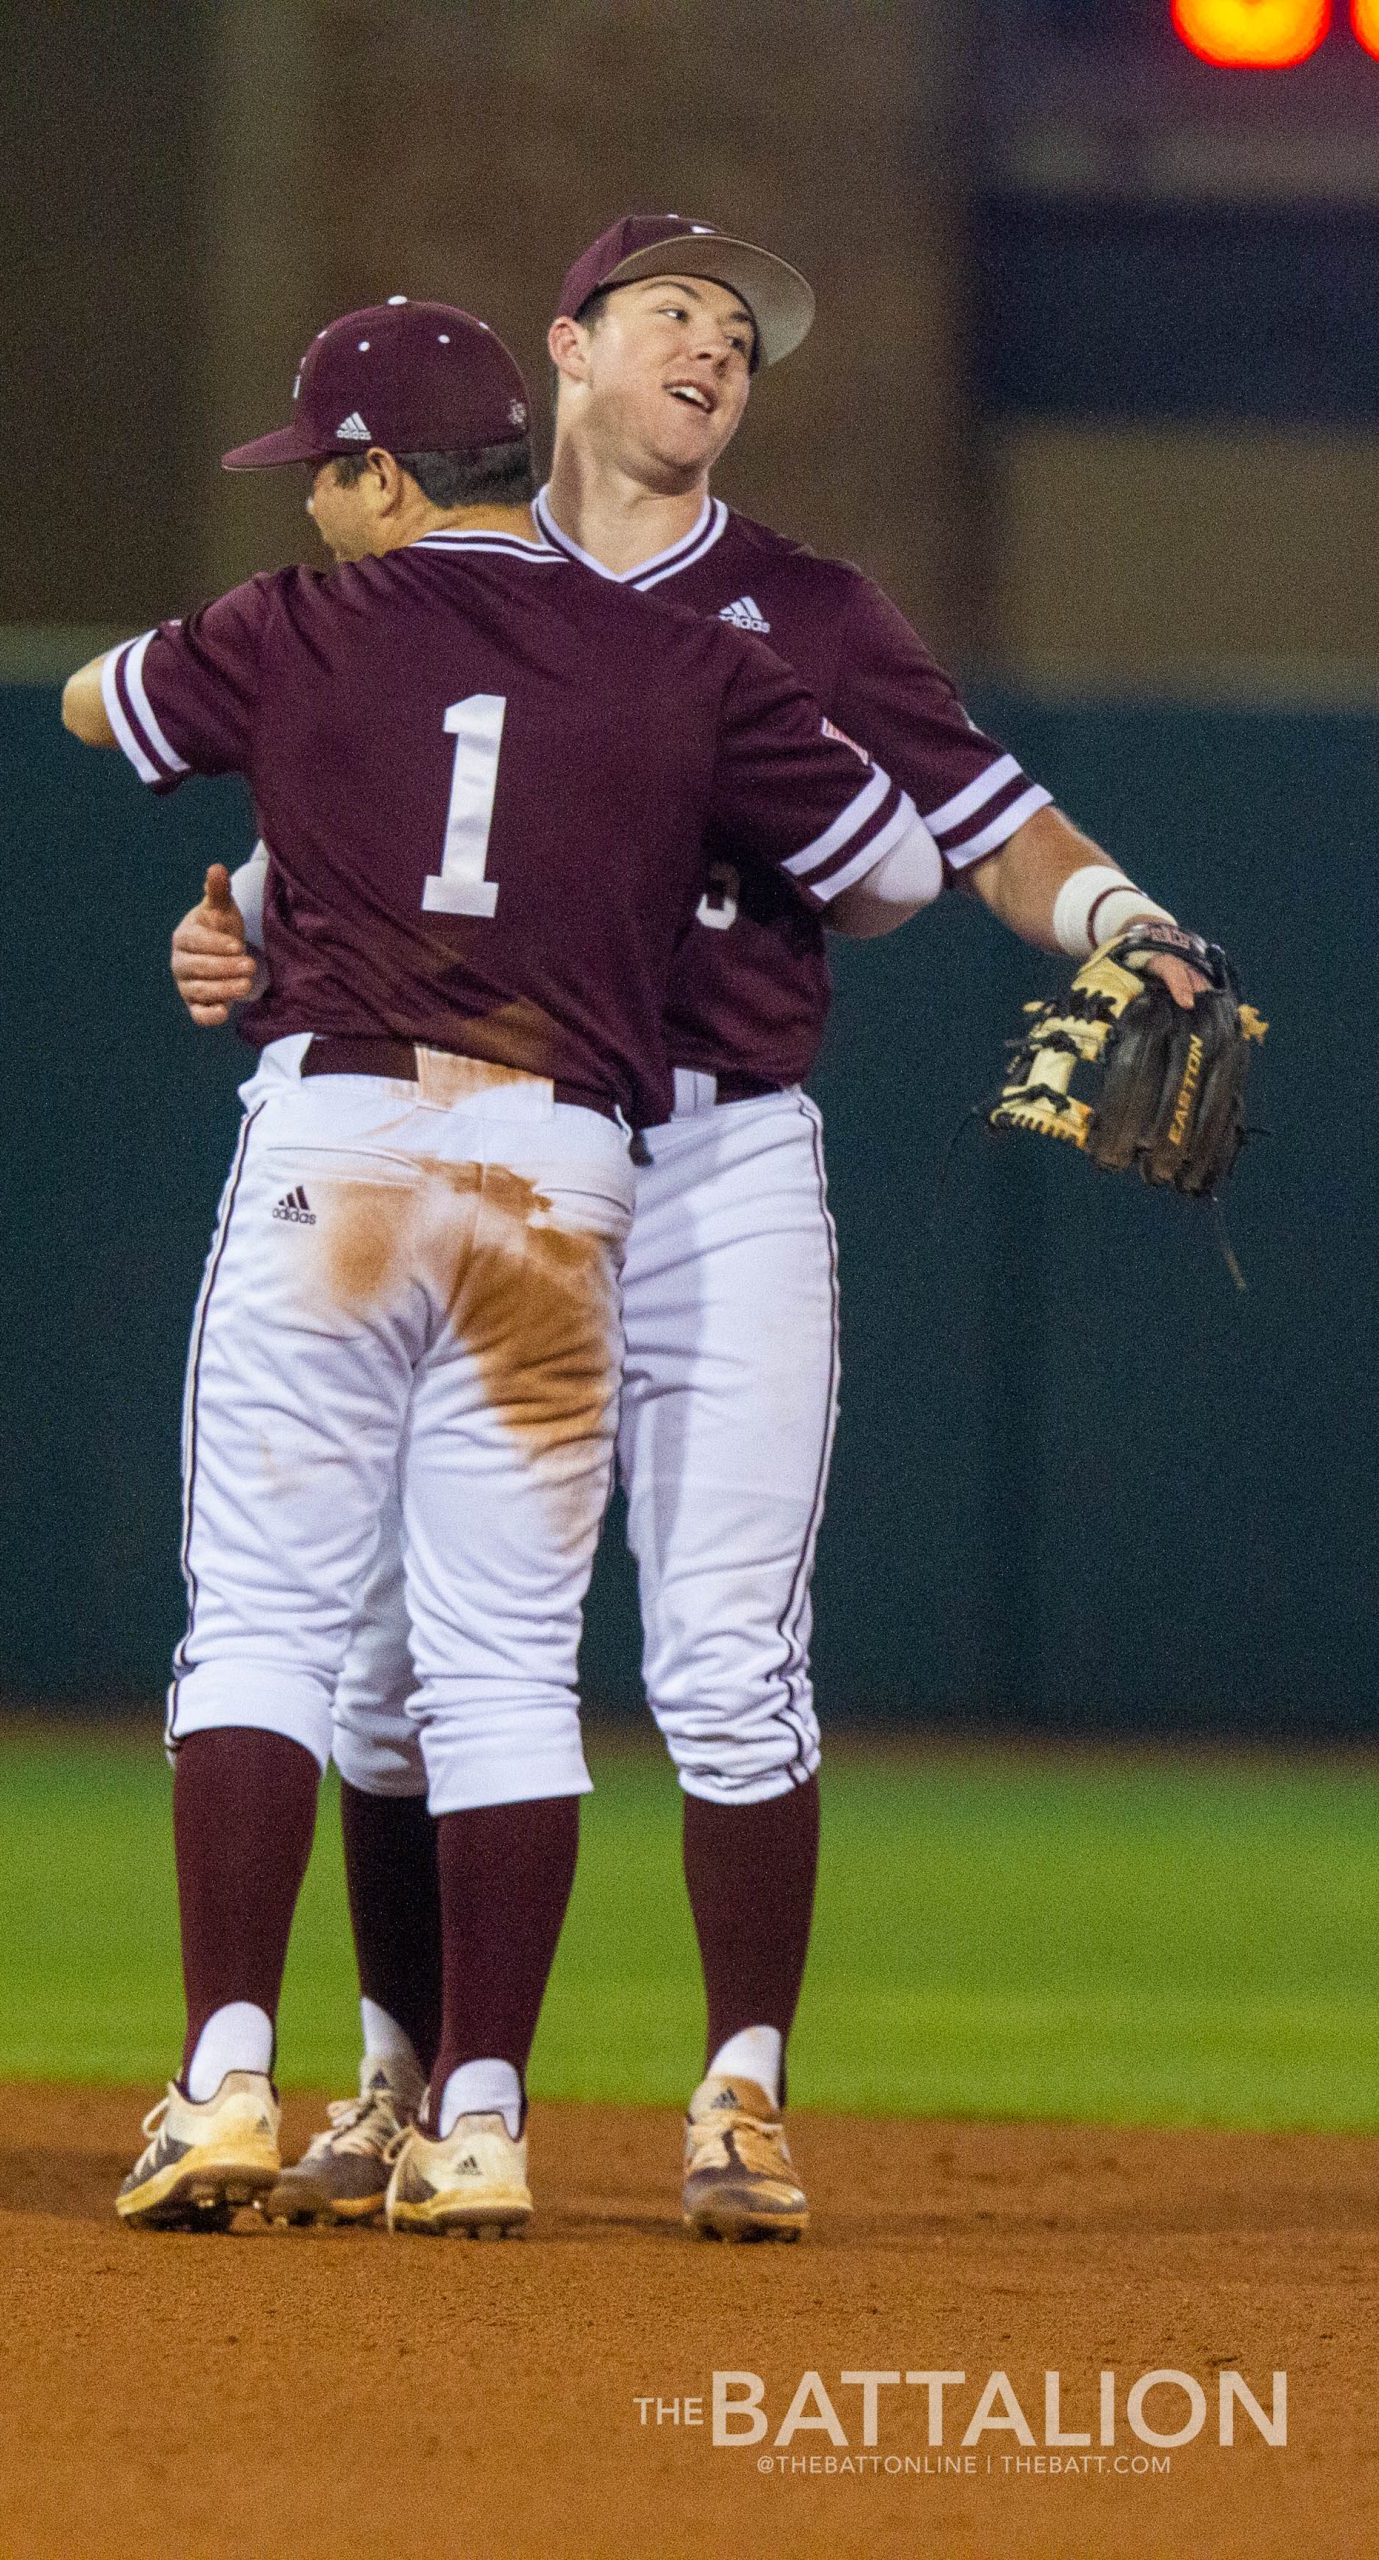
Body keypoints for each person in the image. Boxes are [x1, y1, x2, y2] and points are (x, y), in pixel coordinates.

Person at [169, 218, 1207, 2243]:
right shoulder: (433, 564)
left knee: (723, 1653)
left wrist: (1121, 918)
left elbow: (979, 826)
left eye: (739, 334)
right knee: (400, 1653)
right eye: (671, 312)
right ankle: (410, 2078)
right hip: (494, 1139)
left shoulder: (800, 605)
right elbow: (332, 851)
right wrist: (241, 934)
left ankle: (738, 2086)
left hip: (714, 1161)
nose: (712, 349)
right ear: (563, 351)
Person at [62, 294, 940, 2238]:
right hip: (562, 1173)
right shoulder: (669, 659)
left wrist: (288, 808)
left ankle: (220, 2077)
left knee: (271, 1630)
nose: (315, 507)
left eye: (326, 475)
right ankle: (478, 2116)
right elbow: (883, 869)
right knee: (503, 1663)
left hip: (341, 1148)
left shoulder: (296, 624)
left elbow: (89, 702)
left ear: (384, 473)